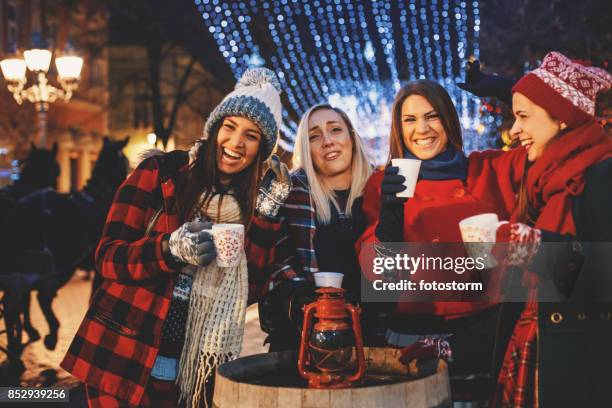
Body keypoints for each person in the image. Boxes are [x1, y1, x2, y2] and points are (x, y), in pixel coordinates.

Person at [60, 68, 288, 407]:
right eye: (229, 127)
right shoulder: (160, 174)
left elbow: (250, 288)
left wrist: (268, 215)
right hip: (123, 353)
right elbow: (108, 258)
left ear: (262, 148)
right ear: (214, 129)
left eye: (252, 135)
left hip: (192, 367)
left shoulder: (252, 204)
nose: (236, 143)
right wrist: (169, 250)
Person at [356, 80, 526, 397]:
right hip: (409, 342)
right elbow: (380, 278)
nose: (422, 128)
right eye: (410, 120)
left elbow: (553, 148)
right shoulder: (383, 184)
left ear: (448, 119)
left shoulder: (487, 169)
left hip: (481, 338)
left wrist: (516, 95)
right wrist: (391, 216)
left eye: (432, 116)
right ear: (398, 127)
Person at [491, 52, 612, 408]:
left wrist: (536, 249)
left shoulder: (602, 175)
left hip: (580, 365)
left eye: (523, 117)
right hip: (536, 348)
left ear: (561, 118)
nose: (514, 131)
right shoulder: (543, 180)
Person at [254, 104, 378, 351]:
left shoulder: (382, 190)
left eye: (335, 130)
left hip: (375, 339)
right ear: (306, 150)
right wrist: (300, 298)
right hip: (304, 342)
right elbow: (268, 272)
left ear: (351, 138)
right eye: (314, 136)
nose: (327, 141)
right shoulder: (289, 195)